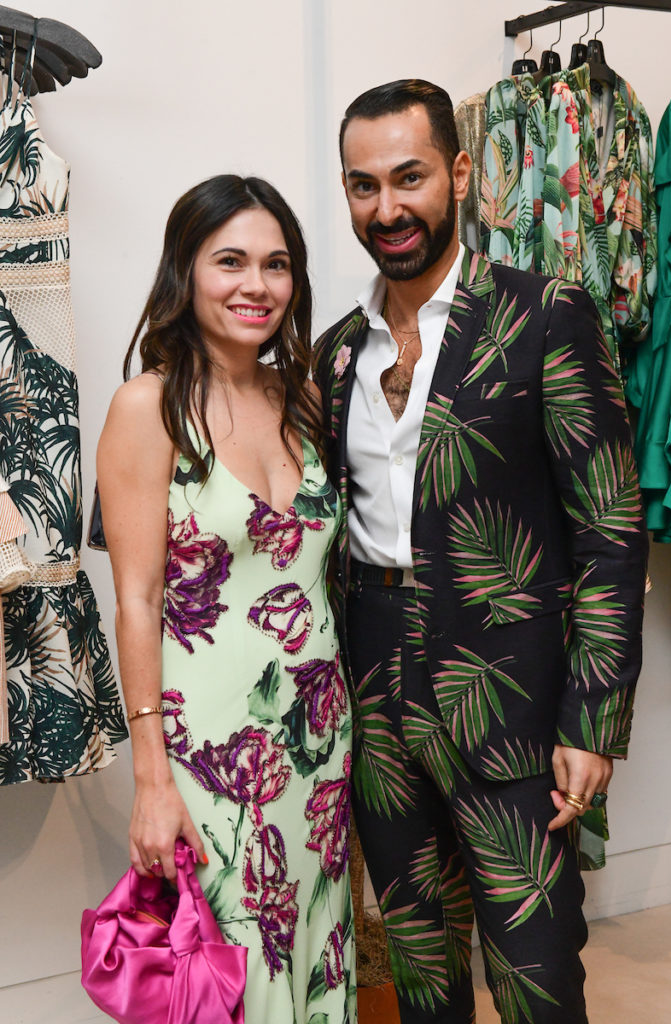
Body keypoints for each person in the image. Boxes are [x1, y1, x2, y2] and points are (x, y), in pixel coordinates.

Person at [313, 80, 648, 1024]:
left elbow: (609, 532)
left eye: (409, 177)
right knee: (418, 968)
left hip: (507, 687)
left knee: (536, 971)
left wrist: (593, 717)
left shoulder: (548, 313)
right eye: (363, 186)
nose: (388, 208)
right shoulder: (335, 351)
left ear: (459, 173)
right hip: (374, 685)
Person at [97, 174, 356, 1024]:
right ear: (186, 271)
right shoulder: (148, 409)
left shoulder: (306, 399)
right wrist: (150, 780)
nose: (257, 286)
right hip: (207, 753)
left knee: (316, 948)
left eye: (276, 265)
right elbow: (134, 599)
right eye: (231, 262)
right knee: (226, 967)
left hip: (318, 749)